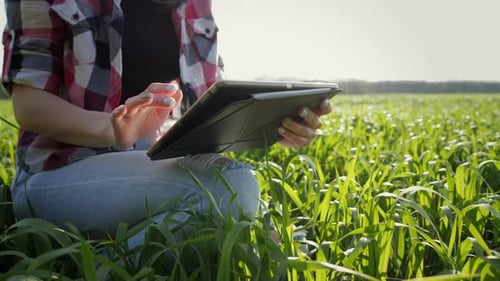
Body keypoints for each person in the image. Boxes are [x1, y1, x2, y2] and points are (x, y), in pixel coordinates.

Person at [2, 0, 332, 252]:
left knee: (287, 240)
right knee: (232, 189)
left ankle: (119, 247)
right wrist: (113, 130)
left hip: (147, 167)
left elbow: (204, 109)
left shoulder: (194, 6)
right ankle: (111, 267)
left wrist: (268, 124)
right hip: (56, 172)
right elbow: (30, 107)